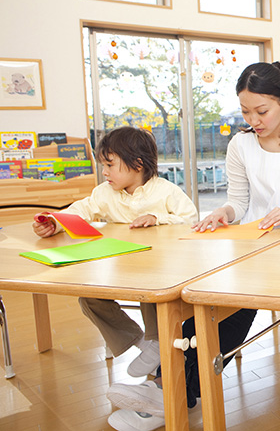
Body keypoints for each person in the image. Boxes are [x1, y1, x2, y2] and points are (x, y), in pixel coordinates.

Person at [105, 61, 280, 431]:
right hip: (252, 245)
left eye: (262, 111)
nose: (253, 119)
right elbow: (239, 202)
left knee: (235, 304)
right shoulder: (240, 144)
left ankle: (173, 392)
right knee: (205, 299)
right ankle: (170, 387)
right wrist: (222, 213)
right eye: (245, 111)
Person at [32, 126, 198, 381]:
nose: (104, 171)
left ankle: (157, 342)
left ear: (138, 163)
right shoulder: (104, 193)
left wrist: (157, 217)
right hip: (119, 270)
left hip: (159, 270)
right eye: (103, 165)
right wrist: (54, 222)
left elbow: (190, 218)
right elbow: (81, 210)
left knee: (151, 289)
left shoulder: (165, 191)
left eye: (110, 164)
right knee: (88, 299)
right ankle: (145, 344)